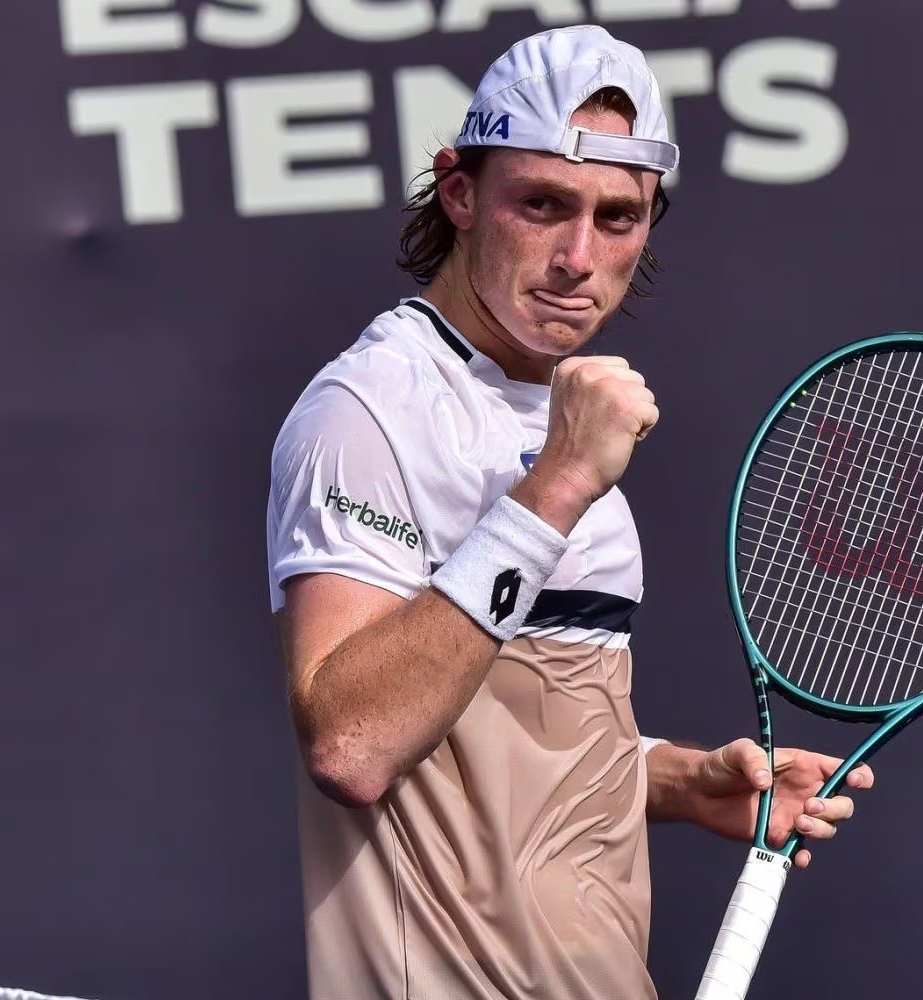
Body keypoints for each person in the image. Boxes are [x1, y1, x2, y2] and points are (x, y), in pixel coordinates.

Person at [265, 24, 874, 1000]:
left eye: (619, 217)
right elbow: (353, 743)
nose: (578, 256)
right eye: (542, 205)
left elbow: (489, 750)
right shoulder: (372, 408)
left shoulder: (555, 415)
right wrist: (552, 487)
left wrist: (678, 781)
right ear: (458, 192)